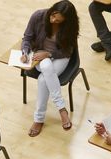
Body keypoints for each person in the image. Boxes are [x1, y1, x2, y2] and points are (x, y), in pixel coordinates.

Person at [21, 0, 79, 137]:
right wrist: (24, 52)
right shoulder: (38, 16)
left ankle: (38, 119)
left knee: (42, 80)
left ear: (66, 20)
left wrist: (49, 54)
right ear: (52, 10)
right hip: (39, 55)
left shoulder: (71, 27)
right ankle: (61, 109)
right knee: (46, 64)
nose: (53, 21)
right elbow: (27, 38)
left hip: (60, 57)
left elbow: (68, 52)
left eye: (58, 20)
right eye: (53, 16)